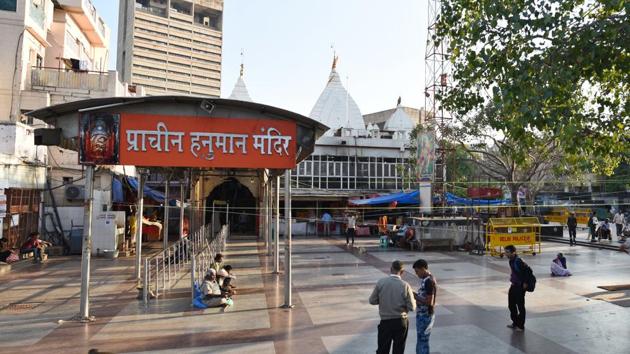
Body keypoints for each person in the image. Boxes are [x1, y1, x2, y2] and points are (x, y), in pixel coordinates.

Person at [369, 260, 416, 354]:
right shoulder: (405, 285)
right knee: (398, 349)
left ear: (391, 269)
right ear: (402, 272)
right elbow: (412, 307)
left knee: (382, 349)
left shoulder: (381, 282)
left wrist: (383, 300)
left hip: (385, 322)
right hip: (400, 321)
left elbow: (372, 300)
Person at [413, 259, 437, 354]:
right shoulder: (427, 279)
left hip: (425, 315)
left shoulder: (428, 281)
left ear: (423, 269)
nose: (416, 274)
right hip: (423, 314)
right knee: (421, 340)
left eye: (417, 271)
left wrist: (415, 297)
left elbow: (429, 302)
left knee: (423, 341)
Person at [504, 245, 527, 331]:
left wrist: (524, 283)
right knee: (511, 305)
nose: (506, 254)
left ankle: (521, 326)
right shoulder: (511, 261)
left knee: (520, 306)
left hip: (520, 286)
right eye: (505, 252)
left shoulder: (518, 261)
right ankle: (515, 322)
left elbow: (526, 272)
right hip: (513, 285)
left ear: (513, 252)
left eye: (507, 252)